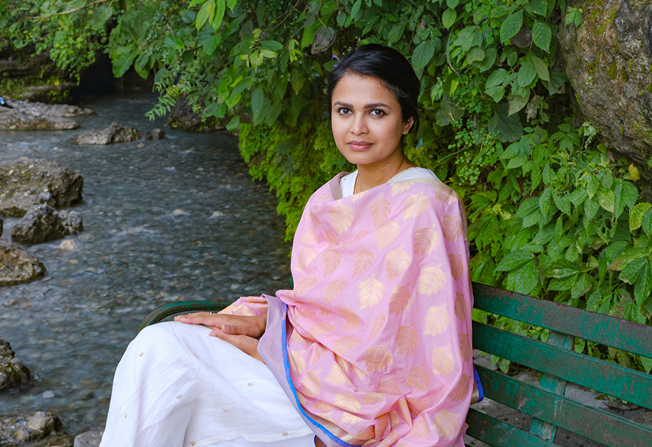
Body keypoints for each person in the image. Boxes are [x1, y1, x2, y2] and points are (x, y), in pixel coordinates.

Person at [99, 44, 474, 447]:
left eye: (377, 112)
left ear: (407, 122)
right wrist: (265, 322)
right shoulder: (327, 199)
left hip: (358, 401)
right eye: (344, 110)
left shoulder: (427, 205)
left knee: (171, 362)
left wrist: (271, 352)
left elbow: (420, 344)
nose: (357, 128)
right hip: (302, 370)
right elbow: (316, 308)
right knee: (158, 344)